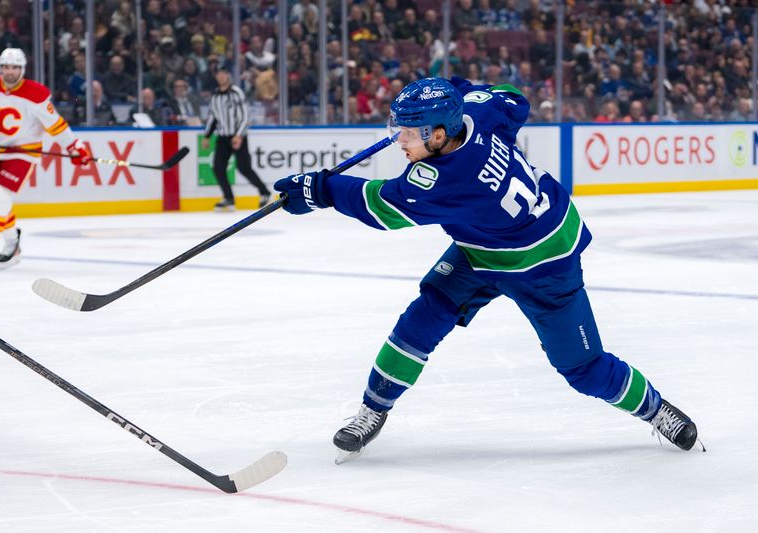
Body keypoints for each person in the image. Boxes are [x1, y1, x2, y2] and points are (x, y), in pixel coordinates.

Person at [274, 77, 703, 463]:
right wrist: (455, 88)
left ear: (439, 134)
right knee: (421, 321)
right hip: (483, 248)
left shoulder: (446, 179)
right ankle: (373, 410)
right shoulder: (476, 113)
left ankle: (654, 408)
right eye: (397, 128)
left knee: (583, 368)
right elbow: (515, 100)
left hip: (544, 265)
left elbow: (379, 207)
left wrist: (319, 189)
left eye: (407, 132)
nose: (397, 140)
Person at [0, 48, 90, 272]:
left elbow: (56, 125)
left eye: (14, 67)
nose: (9, 72)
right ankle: (12, 242)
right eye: (5, 67)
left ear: (22, 69)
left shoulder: (36, 93)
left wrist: (75, 146)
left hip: (24, 152)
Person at [202, 69, 272, 211]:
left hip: (237, 136)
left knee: (244, 168)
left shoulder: (236, 92)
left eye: (223, 73)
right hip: (222, 137)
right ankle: (229, 198)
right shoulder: (215, 95)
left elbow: (246, 116)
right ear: (216, 76)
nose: (221, 76)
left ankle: (265, 192)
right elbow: (212, 117)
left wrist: (239, 135)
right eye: (218, 73)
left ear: (228, 75)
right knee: (218, 168)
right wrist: (207, 136)